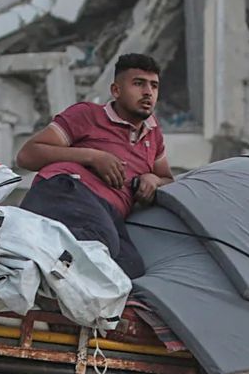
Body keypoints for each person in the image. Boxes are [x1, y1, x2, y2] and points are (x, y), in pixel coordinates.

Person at [14, 53, 172, 277]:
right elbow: (27, 156)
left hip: (109, 212)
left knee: (130, 271)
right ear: (116, 90)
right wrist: (93, 157)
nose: (148, 92)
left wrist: (153, 179)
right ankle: (24, 263)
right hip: (67, 190)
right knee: (97, 242)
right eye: (138, 84)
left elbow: (168, 180)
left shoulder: (153, 134)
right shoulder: (88, 114)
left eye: (154, 86)